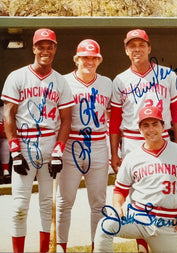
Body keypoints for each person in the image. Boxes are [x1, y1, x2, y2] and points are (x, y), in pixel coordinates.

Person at [109, 29, 177, 252]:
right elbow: (115, 120)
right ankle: (143, 247)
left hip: (163, 139)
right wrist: (115, 152)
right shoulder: (120, 80)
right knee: (137, 200)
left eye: (141, 44)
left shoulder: (168, 75)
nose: (137, 49)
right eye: (132, 45)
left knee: (164, 195)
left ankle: (164, 243)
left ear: (149, 48)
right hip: (132, 141)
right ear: (126, 50)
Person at [0, 28, 74, 253]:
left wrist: (58, 152)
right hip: (24, 143)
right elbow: (8, 115)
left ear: (55, 48)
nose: (45, 50)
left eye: (49, 46)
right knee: (19, 207)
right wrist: (14, 152)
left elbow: (66, 120)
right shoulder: (17, 76)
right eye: (40, 46)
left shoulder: (60, 81)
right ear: (33, 48)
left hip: (49, 144)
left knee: (46, 206)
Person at [93, 105, 177, 253]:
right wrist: (118, 206)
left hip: (167, 223)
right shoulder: (132, 157)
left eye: (155, 124)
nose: (151, 130)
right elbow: (120, 189)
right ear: (140, 129)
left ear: (163, 126)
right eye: (145, 125)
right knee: (105, 226)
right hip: (138, 220)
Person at [55, 39, 113, 252]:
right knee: (64, 202)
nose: (89, 61)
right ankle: (61, 247)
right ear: (76, 59)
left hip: (98, 143)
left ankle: (96, 246)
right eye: (85, 57)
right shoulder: (63, 81)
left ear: (99, 60)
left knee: (98, 203)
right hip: (71, 142)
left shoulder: (107, 83)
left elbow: (110, 115)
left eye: (94, 58)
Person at [0, 101, 11, 183]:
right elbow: (0, 131)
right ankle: (5, 170)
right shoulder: (1, 110)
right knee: (5, 144)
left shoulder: (22, 109)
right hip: (5, 136)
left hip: (20, 136)